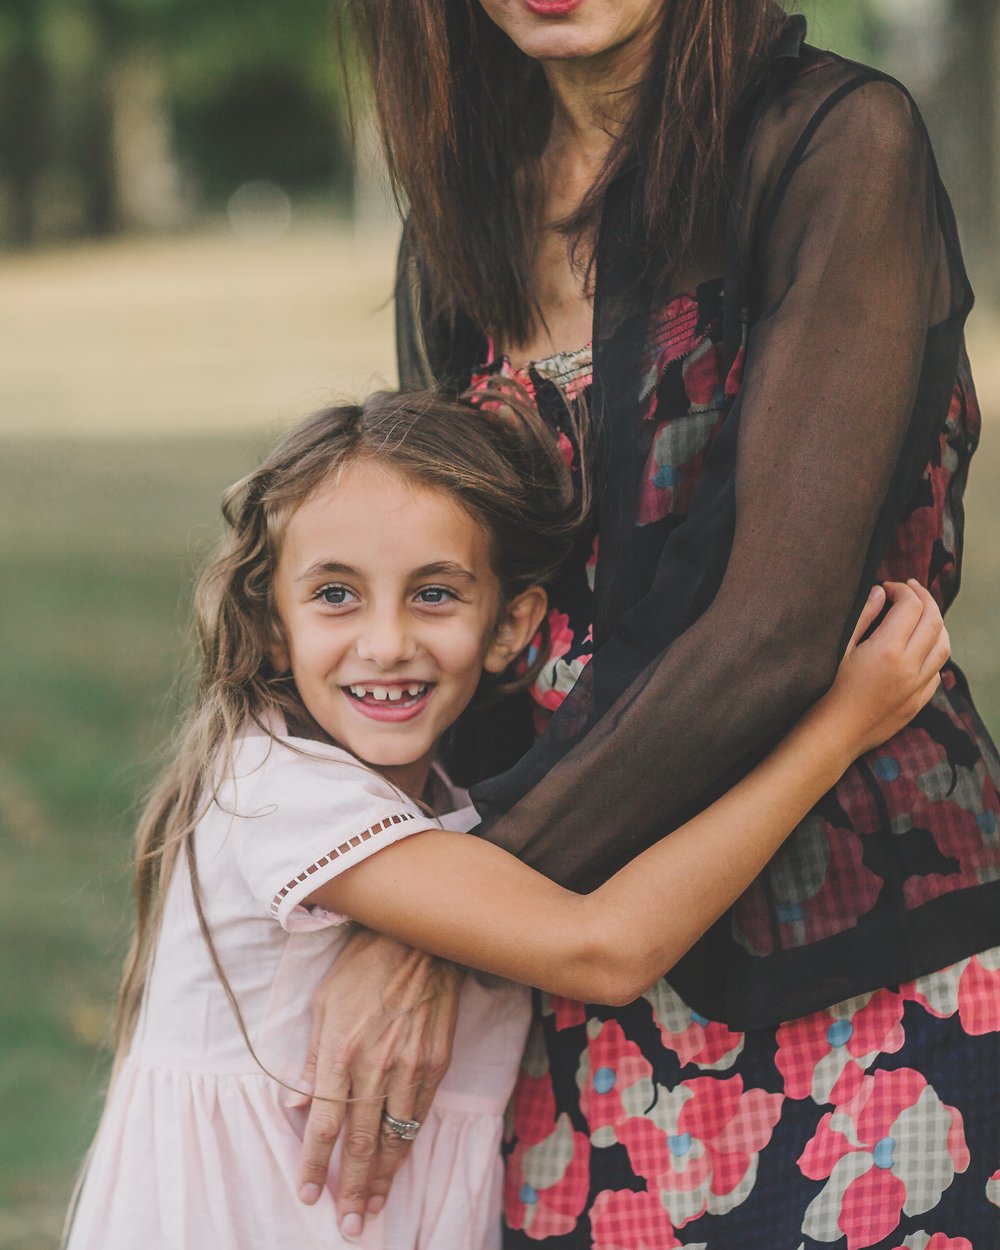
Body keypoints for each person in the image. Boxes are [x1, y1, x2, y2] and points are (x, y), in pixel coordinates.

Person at [300, 2, 1000, 1246]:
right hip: (557, 980)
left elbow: (772, 627)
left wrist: (441, 933)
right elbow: (433, 602)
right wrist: (441, 905)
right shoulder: (464, 212)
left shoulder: (833, 145)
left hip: (848, 955)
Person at [64, 385, 944, 1250]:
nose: (386, 642)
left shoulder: (450, 805)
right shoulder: (276, 788)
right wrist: (836, 731)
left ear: (509, 625)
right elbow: (604, 948)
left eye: (434, 594)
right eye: (336, 595)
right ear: (269, 623)